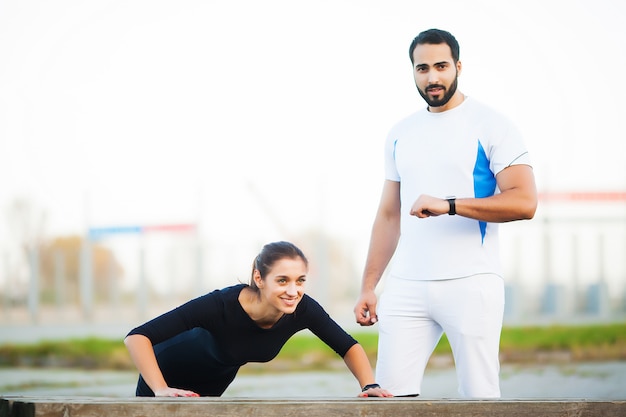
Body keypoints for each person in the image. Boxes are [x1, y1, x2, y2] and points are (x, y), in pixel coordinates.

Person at [353, 28, 537, 398]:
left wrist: (449, 205)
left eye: (441, 66)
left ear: (458, 66)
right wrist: (369, 286)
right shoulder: (400, 133)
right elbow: (390, 216)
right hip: (407, 285)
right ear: (413, 72)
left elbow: (524, 202)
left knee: (479, 398)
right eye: (422, 68)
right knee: (387, 399)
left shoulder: (492, 124)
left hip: (472, 282)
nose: (432, 77)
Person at [125, 240, 392, 398]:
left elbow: (348, 346)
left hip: (214, 382)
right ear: (259, 278)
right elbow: (137, 337)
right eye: (282, 280)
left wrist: (370, 385)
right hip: (166, 375)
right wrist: (160, 388)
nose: (293, 290)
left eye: (300, 281)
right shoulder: (220, 305)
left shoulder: (303, 308)